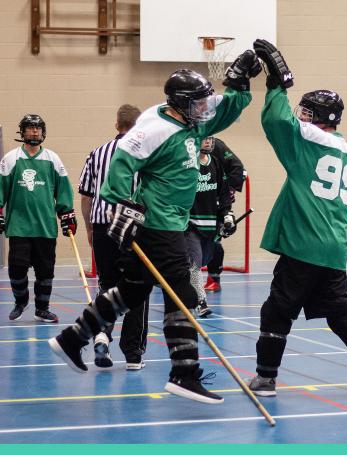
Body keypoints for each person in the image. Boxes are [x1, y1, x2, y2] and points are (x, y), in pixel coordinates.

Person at [48, 51, 261, 405]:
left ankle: (72, 338)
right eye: (199, 102)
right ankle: (184, 373)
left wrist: (240, 83)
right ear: (181, 103)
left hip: (173, 222)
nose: (205, 107)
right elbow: (121, 162)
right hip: (158, 226)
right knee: (186, 294)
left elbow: (225, 110)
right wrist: (123, 205)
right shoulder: (155, 127)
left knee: (131, 292)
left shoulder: (194, 122)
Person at [246, 39, 347, 398]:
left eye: (305, 111)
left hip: (303, 243)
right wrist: (342, 232)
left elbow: (276, 120)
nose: (300, 115)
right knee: (338, 309)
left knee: (278, 308)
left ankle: (265, 378)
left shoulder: (308, 139)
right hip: (331, 248)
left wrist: (276, 84)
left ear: (315, 116)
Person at [79, 104, 150, 370]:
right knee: (137, 288)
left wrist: (88, 227)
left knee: (107, 286)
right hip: (132, 228)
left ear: (116, 124)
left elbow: (85, 196)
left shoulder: (97, 153)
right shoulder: (145, 153)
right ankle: (133, 353)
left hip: (101, 227)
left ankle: (101, 335)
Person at [0, 114, 76, 323]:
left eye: (37, 128)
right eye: (30, 128)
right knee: (16, 268)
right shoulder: (11, 159)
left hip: (45, 227)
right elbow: (0, 190)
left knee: (45, 272)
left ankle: (42, 309)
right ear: (22, 132)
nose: (34, 131)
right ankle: (20, 301)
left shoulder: (53, 159)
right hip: (19, 226)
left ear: (43, 132)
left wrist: (67, 213)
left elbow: (63, 191)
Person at [186, 137, 235, 317]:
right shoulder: (188, 164)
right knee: (195, 264)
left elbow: (223, 193)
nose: (208, 142)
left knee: (206, 258)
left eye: (209, 138)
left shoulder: (215, 163)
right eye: (204, 138)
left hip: (210, 224)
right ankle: (200, 301)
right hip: (190, 223)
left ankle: (182, 288)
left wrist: (227, 217)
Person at [204, 138, 246, 293]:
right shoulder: (186, 143)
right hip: (194, 202)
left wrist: (229, 191)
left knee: (214, 240)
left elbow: (238, 168)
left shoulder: (217, 145)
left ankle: (214, 279)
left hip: (214, 203)